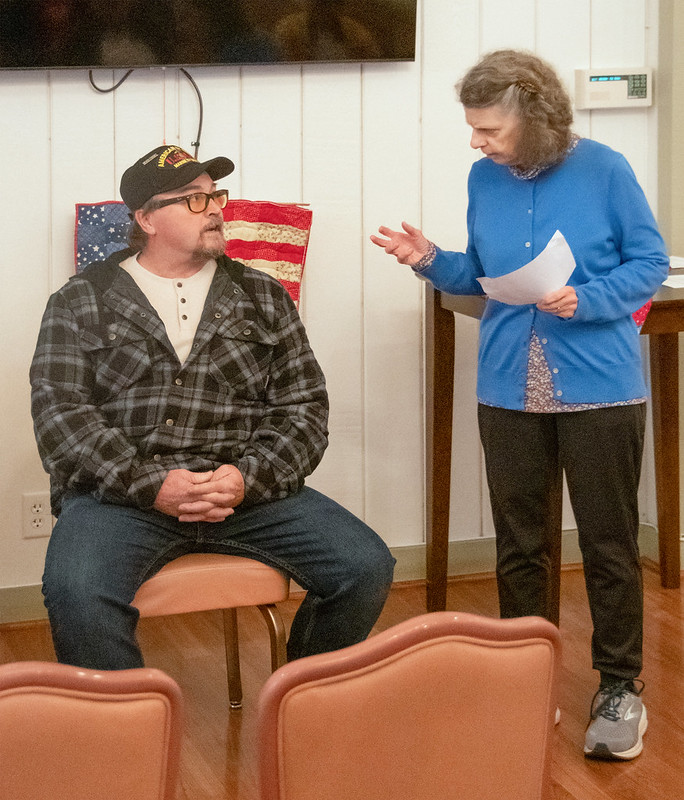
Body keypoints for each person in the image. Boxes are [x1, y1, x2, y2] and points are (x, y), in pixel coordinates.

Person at [371, 50, 669, 760]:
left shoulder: (605, 170)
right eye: (473, 129)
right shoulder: (484, 178)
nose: (476, 142)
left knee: (608, 544)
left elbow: (650, 262)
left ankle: (620, 687)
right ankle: (522, 677)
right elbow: (481, 272)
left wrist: (589, 299)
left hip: (600, 385)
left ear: (534, 118)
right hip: (507, 386)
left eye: (489, 129)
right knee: (520, 545)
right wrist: (430, 259)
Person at [31, 143, 395, 673]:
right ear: (147, 218)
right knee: (77, 593)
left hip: (245, 492)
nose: (216, 209)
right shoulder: (81, 299)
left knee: (364, 566)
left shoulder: (261, 295)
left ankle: (303, 698)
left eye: (214, 195)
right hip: (121, 497)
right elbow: (61, 416)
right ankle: (127, 730)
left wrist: (248, 478)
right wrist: (150, 484)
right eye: (193, 200)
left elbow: (304, 408)